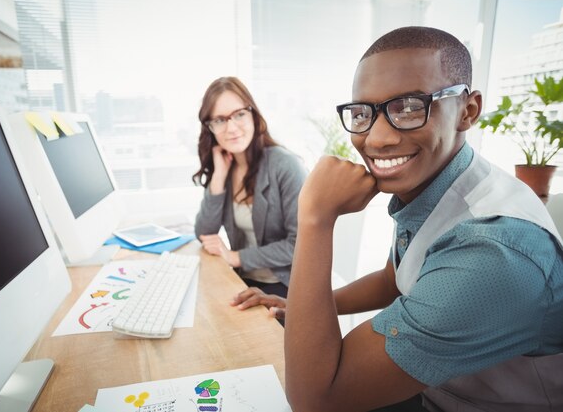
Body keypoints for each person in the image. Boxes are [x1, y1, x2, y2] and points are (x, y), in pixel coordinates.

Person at [279, 26, 563, 411]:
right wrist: (296, 308)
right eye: (363, 113)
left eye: (410, 107)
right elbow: (392, 280)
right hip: (435, 390)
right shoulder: (441, 184)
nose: (377, 138)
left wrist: (315, 217)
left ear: (468, 110)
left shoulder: (492, 251)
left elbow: (317, 400)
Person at [193, 76, 306, 301]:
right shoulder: (225, 167)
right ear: (210, 128)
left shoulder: (285, 166)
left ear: (253, 114)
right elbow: (204, 234)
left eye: (239, 114)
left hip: (284, 287)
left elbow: (299, 245)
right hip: (241, 281)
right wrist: (218, 179)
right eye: (220, 120)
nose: (231, 128)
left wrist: (236, 257)